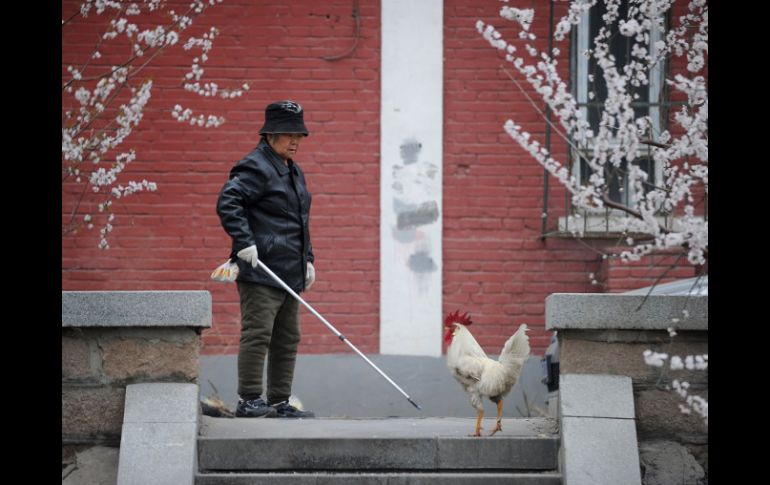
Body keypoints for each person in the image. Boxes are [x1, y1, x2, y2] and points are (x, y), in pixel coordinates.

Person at [216, 100, 316, 418]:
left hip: (290, 270)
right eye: (289, 134)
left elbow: (300, 219)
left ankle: (278, 401)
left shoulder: (292, 170)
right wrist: (244, 243)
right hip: (261, 268)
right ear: (270, 134)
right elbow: (228, 201)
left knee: (288, 337)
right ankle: (249, 400)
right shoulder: (256, 166)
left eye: (299, 134)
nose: (295, 141)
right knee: (259, 333)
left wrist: (308, 259)